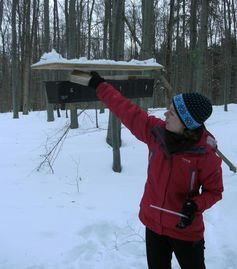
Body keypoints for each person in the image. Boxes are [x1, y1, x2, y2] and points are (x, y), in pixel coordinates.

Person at [84, 71, 224, 269]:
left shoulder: (205, 155)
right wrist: (100, 86)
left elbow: (215, 191)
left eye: (172, 113)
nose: (166, 114)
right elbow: (126, 110)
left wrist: (196, 205)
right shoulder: (156, 134)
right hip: (154, 226)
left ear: (187, 124)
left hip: (185, 231)